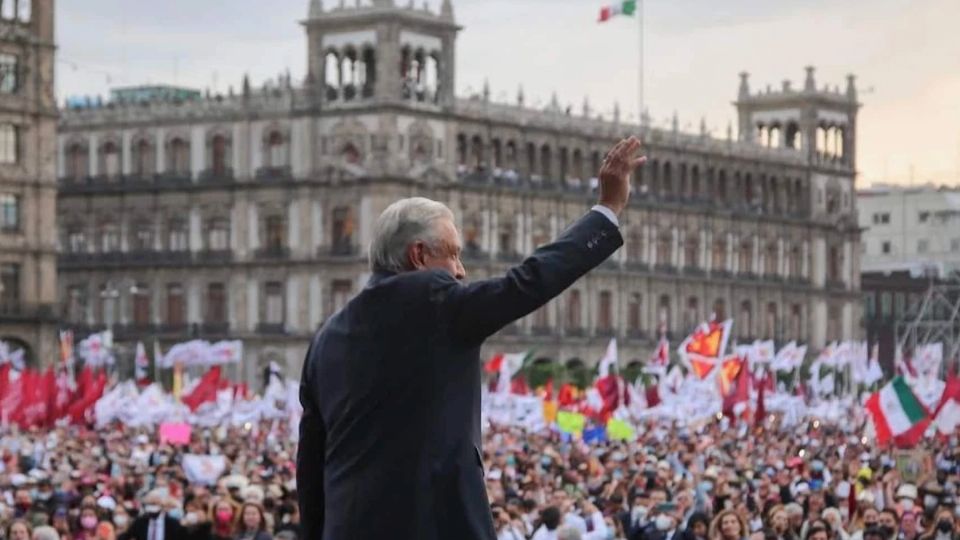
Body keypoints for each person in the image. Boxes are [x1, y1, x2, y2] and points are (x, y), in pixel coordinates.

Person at [297, 136, 645, 540]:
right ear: (419, 255)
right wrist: (608, 209)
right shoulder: (436, 303)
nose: (460, 271)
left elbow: (310, 469)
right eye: (453, 254)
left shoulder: (325, 339)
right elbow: (527, 282)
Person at [117, 490, 189, 540]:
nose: (152, 507)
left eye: (154, 503)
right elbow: (125, 537)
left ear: (162, 504)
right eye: (150, 504)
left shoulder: (173, 524)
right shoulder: (139, 522)